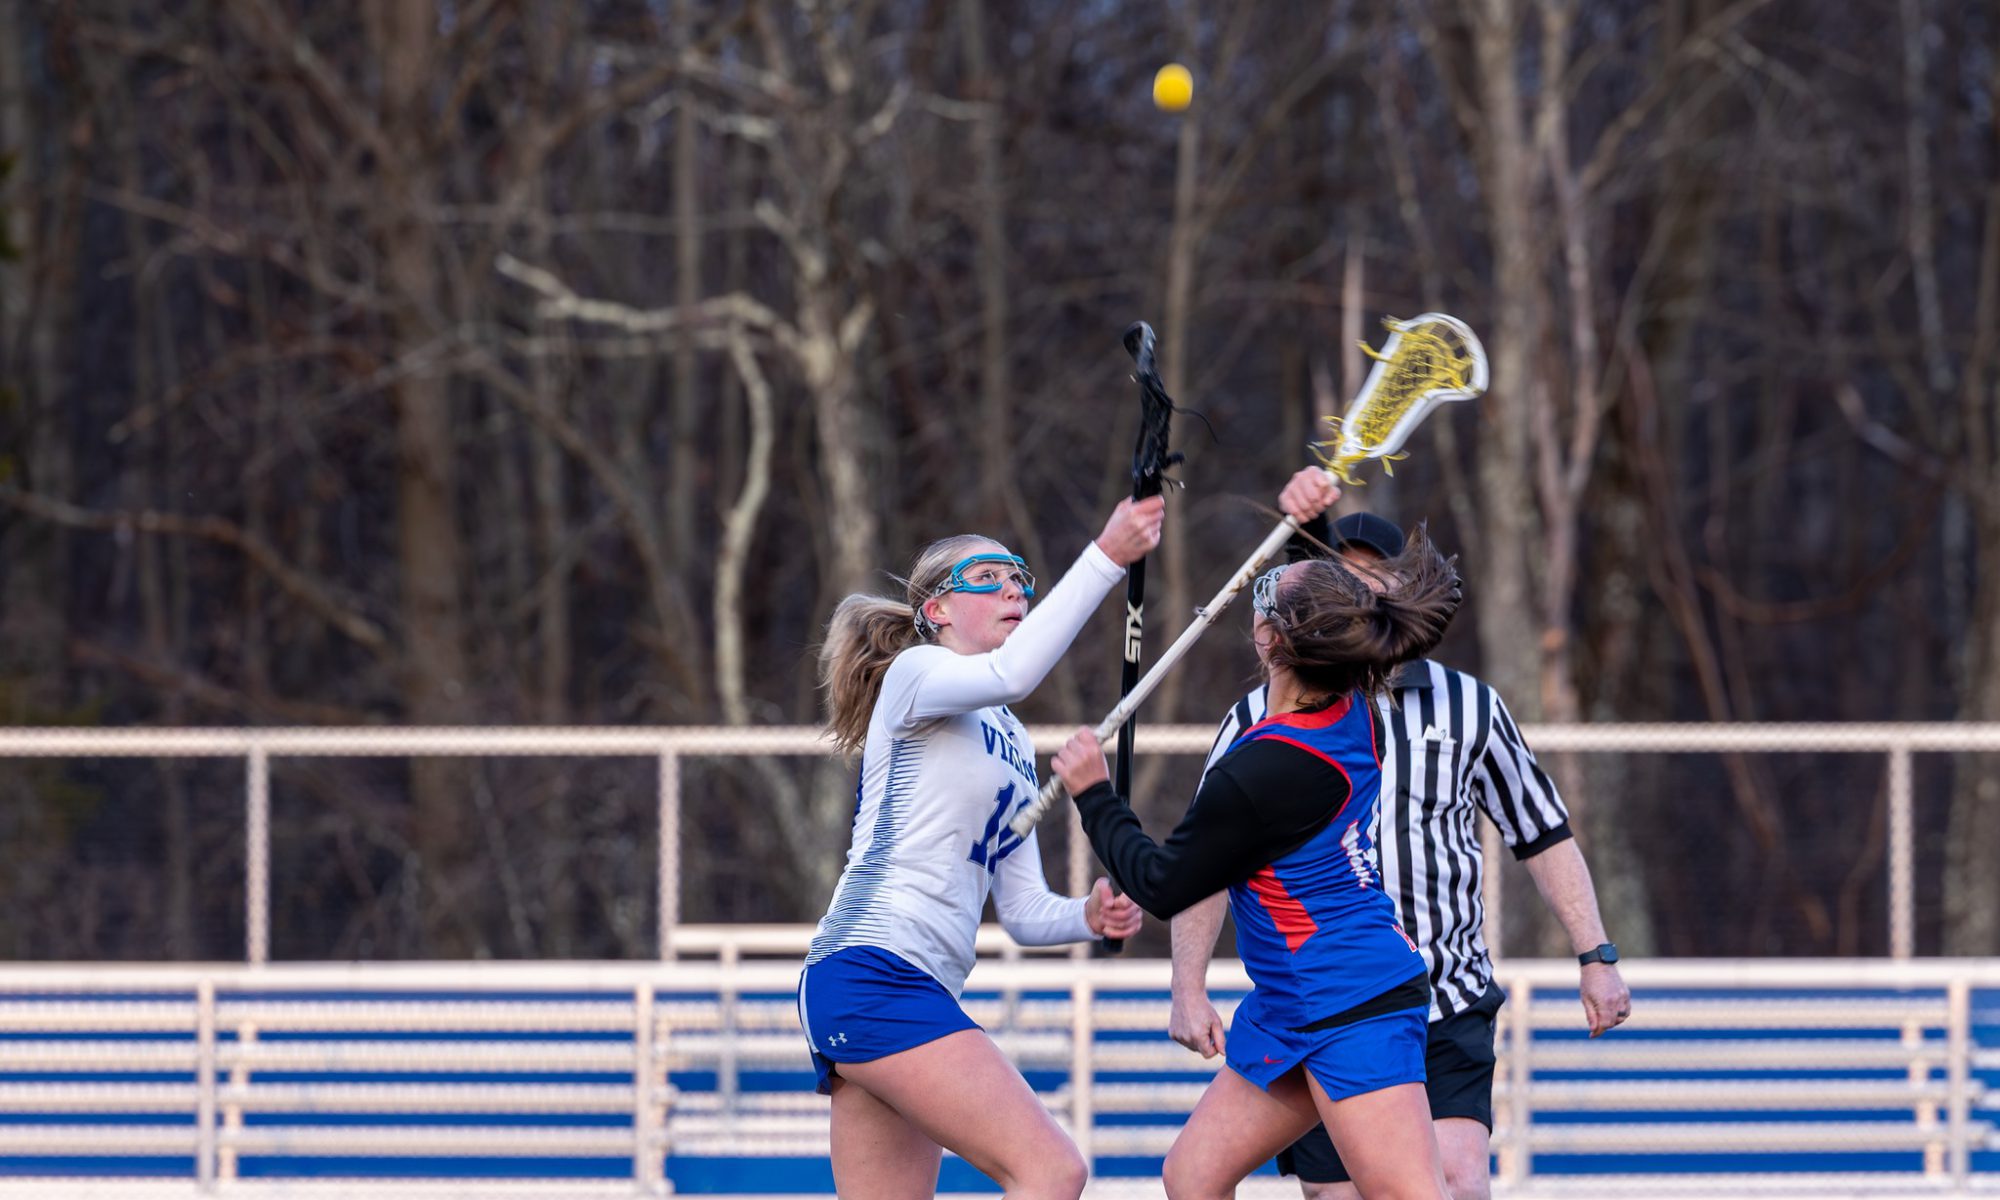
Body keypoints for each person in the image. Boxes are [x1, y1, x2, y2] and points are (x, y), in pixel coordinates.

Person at [1169, 510, 1634, 1200]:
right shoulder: (1254, 723)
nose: (1355, 585)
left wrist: (1595, 955)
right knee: (1333, 1194)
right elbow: (1206, 865)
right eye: (1338, 572)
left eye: (1370, 572)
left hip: (1443, 995)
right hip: (1323, 1005)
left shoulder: (1469, 706)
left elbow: (1542, 831)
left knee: (1453, 1180)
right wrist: (1188, 985)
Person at [1048, 467, 1463, 1200]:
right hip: (1290, 1002)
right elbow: (1327, 606)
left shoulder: (1266, 769)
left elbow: (1164, 884)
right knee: (1193, 1177)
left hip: (1351, 998)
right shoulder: (1354, 700)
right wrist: (1304, 518)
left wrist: (1093, 795)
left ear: (1269, 641)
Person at [796, 493, 1163, 1200]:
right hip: (870, 969)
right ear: (936, 609)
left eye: (1021, 577)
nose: (1014, 589)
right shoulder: (916, 676)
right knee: (1052, 1170)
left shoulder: (1014, 741)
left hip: (917, 985)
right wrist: (1107, 557)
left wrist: (1085, 917)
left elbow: (1021, 910)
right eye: (989, 577)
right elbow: (1014, 673)